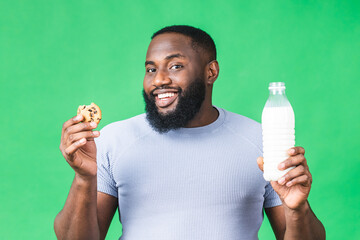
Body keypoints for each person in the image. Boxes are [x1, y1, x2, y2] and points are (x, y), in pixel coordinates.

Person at [54, 25, 325, 240]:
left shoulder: (261, 140)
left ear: (211, 72)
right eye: (151, 69)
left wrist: (298, 209)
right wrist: (84, 179)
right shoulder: (112, 140)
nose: (159, 80)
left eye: (175, 66)